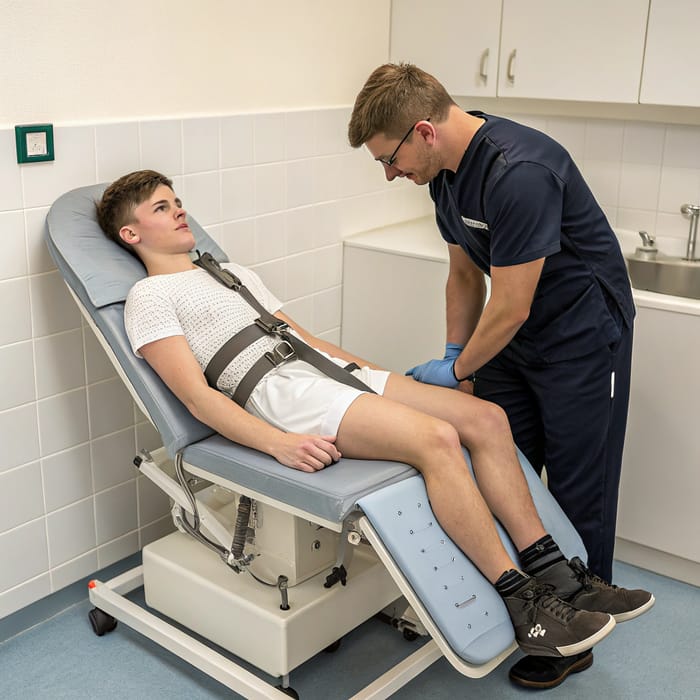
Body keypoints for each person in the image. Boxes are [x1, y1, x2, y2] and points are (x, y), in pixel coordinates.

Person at [96, 170, 652, 673]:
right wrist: (277, 444)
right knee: (436, 439)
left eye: (178, 201)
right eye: (163, 207)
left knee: (484, 417)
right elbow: (195, 397)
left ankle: (553, 572)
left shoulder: (230, 273)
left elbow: (306, 340)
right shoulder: (148, 296)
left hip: (323, 373)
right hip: (278, 395)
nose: (180, 211)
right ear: (131, 234)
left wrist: (386, 379)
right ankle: (522, 600)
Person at [347, 61, 640, 688]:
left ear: (423, 131)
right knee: (495, 457)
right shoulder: (444, 175)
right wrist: (457, 352)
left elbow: (512, 303)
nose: (391, 173)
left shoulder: (520, 173)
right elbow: (462, 273)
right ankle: (533, 604)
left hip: (580, 338)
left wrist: (458, 369)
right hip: (511, 337)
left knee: (577, 482)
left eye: (388, 159)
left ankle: (579, 633)